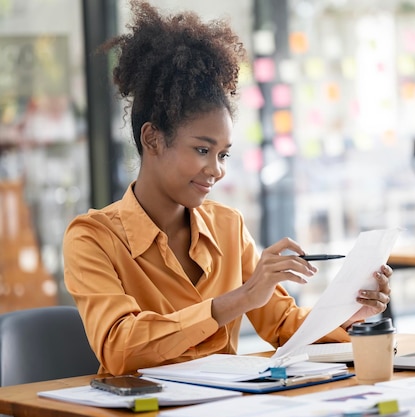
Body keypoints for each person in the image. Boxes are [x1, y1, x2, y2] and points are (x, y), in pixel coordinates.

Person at [63, 0, 393, 376]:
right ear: (152, 139)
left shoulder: (227, 226)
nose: (216, 170)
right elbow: (120, 348)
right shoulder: (92, 238)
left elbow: (284, 324)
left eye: (223, 155)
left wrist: (352, 313)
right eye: (203, 150)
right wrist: (239, 299)